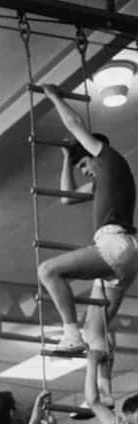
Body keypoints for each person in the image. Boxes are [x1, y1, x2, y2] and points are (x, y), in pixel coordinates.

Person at [37, 85, 137, 355]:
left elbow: (74, 123)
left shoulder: (108, 160)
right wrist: (68, 160)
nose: (85, 172)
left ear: (95, 155)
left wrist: (55, 97)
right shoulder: (108, 181)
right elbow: (67, 197)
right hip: (127, 256)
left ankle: (71, 335)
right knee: (96, 329)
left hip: (115, 245)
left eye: (84, 166)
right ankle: (102, 393)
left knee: (48, 270)